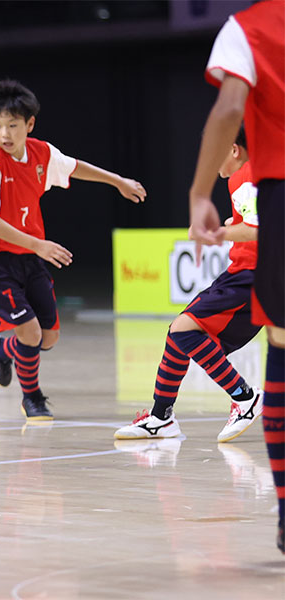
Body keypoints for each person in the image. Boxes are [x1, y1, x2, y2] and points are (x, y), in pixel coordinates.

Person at [0, 79, 146, 421]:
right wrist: (39, 244)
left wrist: (118, 181)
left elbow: (75, 167)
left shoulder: (41, 153)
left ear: (29, 125)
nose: (4, 134)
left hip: (29, 257)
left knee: (47, 338)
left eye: (12, 126)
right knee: (31, 332)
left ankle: (1, 347)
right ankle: (32, 398)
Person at [187, 0, 284, 553]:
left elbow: (229, 108)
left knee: (282, 364)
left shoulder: (246, 29)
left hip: (281, 196)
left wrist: (199, 192)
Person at [116, 128, 261, 442]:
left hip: (251, 276)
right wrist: (231, 226)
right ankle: (160, 418)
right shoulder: (256, 175)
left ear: (234, 150)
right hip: (246, 274)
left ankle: (245, 397)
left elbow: (256, 230)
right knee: (178, 335)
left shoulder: (244, 179)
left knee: (183, 330)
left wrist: (214, 234)